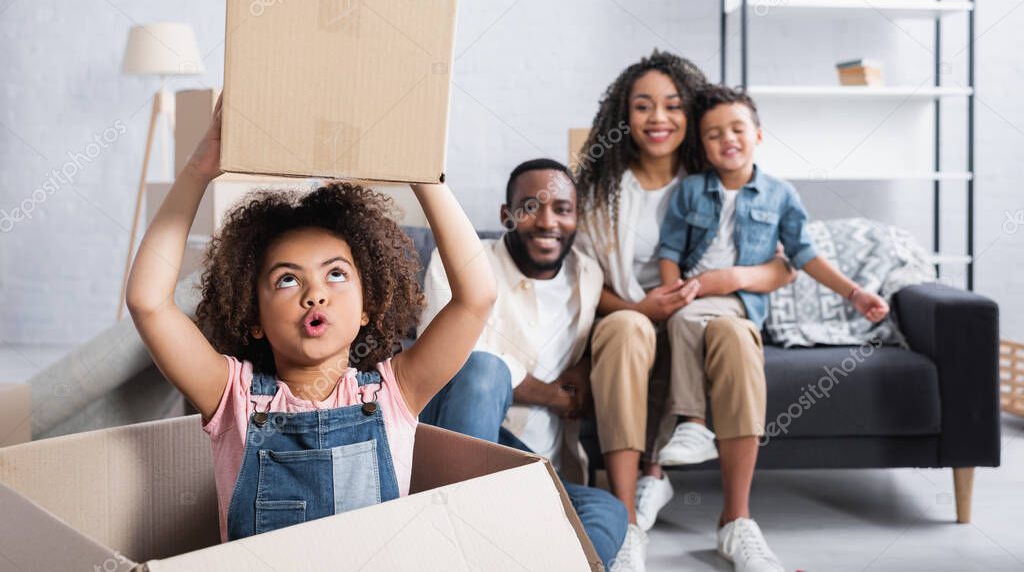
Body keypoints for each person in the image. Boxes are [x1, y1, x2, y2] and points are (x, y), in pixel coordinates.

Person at [125, 96, 496, 542]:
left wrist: (424, 175)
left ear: (366, 307)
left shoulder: (396, 393)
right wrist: (198, 171)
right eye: (286, 280)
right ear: (253, 316)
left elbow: (476, 297)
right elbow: (148, 302)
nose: (314, 293)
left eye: (335, 274)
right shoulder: (233, 399)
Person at [575, 50, 797, 572]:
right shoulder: (600, 190)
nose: (658, 118)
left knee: (737, 335)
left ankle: (736, 522)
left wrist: (731, 279)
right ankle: (626, 522)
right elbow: (584, 281)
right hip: (633, 320)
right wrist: (638, 305)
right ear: (622, 116)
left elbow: (784, 266)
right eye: (643, 106)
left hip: (704, 317)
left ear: (692, 115)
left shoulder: (719, 176)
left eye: (673, 106)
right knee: (627, 328)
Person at [655, 84, 889, 472]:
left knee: (687, 321)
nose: (727, 139)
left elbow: (804, 255)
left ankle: (693, 425)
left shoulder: (780, 194)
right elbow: (670, 250)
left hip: (739, 299)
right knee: (683, 319)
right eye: (714, 135)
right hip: (690, 293)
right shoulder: (690, 190)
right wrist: (672, 293)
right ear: (702, 143)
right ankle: (674, 445)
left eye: (737, 129)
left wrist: (855, 293)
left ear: (757, 136)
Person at [418, 159, 628, 570]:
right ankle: (460, 541)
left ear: (575, 217)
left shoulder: (586, 274)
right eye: (531, 206)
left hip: (537, 465)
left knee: (609, 511)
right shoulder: (462, 262)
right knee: (484, 369)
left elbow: (590, 338)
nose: (546, 221)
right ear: (506, 215)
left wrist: (585, 369)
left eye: (561, 209)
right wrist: (551, 395)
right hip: (464, 443)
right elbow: (447, 357)